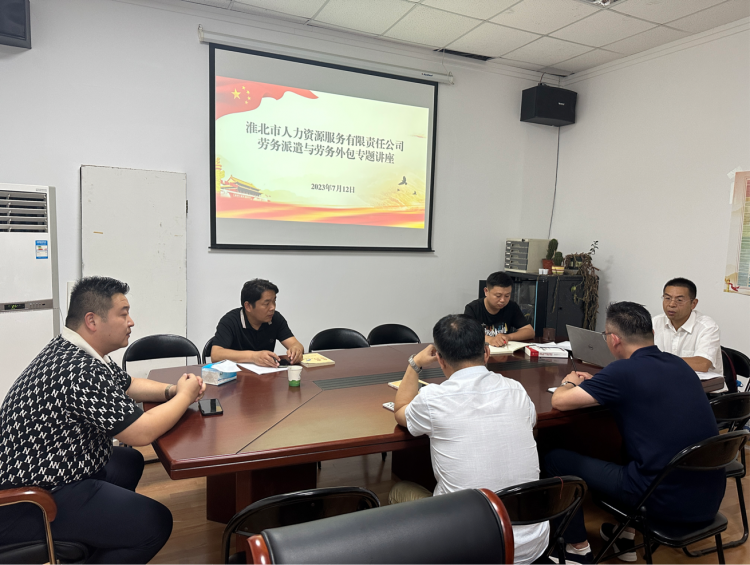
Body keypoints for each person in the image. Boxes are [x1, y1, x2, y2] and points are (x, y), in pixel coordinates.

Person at [0, 276, 206, 565]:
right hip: (30, 500)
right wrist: (185, 396)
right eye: (123, 314)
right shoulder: (79, 370)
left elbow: (127, 384)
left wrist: (171, 390)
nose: (131, 322)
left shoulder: (74, 349)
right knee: (155, 523)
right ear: (92, 321)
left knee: (128, 462)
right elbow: (141, 432)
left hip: (52, 469)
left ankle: (102, 536)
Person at [545, 302, 723, 564]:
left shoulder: (622, 371)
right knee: (629, 445)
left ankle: (576, 549)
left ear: (614, 339)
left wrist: (569, 382)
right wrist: (602, 385)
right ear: (651, 333)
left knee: (554, 459)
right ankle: (625, 536)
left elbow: (559, 401)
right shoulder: (678, 364)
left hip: (660, 500)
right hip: (707, 498)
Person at [389, 314, 549, 565]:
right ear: (486, 352)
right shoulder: (516, 390)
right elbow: (531, 423)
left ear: (440, 359)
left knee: (398, 491)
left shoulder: (433, 399)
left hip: (468, 547)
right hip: (532, 545)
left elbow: (400, 411)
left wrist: (415, 364)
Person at [211, 279, 304, 367]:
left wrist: (296, 350)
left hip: (267, 375)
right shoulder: (230, 321)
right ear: (248, 306)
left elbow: (295, 344)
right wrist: (253, 356)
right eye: (266, 304)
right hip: (236, 375)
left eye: (274, 301)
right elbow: (216, 355)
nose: (273, 307)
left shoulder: (275, 318)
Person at [653, 277, 722, 374]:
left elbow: (702, 364)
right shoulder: (655, 322)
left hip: (701, 383)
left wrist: (660, 360)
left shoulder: (707, 327)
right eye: (667, 298)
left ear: (693, 303)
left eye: (679, 300)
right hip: (666, 379)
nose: (671, 304)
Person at [464, 271, 535, 346]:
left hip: (504, 351)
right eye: (498, 296)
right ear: (486, 291)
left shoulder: (511, 307)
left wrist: (507, 337)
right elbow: (467, 335)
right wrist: (490, 339)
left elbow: (530, 332)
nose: (503, 300)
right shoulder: (473, 308)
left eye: (507, 296)